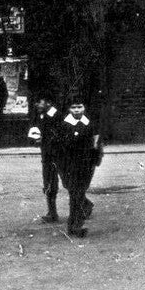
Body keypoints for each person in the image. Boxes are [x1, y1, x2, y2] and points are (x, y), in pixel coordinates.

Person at [56, 94, 101, 238]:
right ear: (69, 109)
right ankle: (75, 225)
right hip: (69, 166)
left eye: (79, 107)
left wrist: (94, 161)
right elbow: (60, 148)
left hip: (85, 165)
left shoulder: (89, 124)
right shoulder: (64, 125)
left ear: (84, 108)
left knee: (79, 194)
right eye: (73, 107)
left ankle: (75, 224)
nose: (76, 110)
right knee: (75, 195)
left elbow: (96, 145)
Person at [27, 92, 62, 222]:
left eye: (39, 102)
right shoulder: (43, 115)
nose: (37, 105)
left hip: (58, 155)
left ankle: (84, 205)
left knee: (68, 182)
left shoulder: (56, 115)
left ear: (48, 102)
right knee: (49, 182)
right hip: (47, 154)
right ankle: (52, 212)